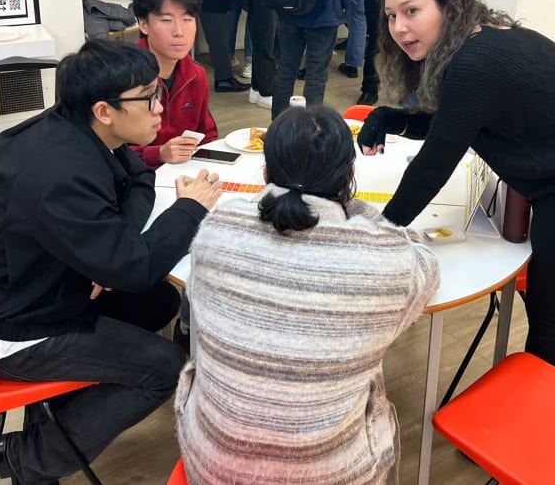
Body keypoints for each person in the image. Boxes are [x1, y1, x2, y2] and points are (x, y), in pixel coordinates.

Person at [0, 40, 223, 484]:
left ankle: (62, 408)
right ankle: (31, 459)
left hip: (21, 285)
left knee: (156, 303)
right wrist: (190, 208)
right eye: (148, 97)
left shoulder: (72, 129)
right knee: (166, 367)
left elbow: (136, 177)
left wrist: (104, 256)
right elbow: (136, 265)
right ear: (104, 110)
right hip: (13, 326)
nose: (159, 109)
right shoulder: (61, 174)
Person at [357, 0, 555, 376]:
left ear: (449, 8)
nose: (399, 27)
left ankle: (541, 425)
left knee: (550, 316)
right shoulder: (476, 44)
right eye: (391, 16)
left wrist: (378, 234)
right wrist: (393, 117)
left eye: (412, 11)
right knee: (553, 305)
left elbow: (433, 166)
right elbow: (459, 123)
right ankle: (546, 403)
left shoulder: (476, 62)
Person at [176, 105, 439, 485]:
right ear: (350, 177)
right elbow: (426, 267)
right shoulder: (384, 258)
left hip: (212, 465)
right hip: (334, 473)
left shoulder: (219, 227)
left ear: (266, 174)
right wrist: (353, 208)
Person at [131, 0, 219, 168]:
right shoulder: (123, 76)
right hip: (134, 179)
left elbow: (208, 135)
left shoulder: (196, 74)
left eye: (187, 19)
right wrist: (159, 153)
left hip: (184, 174)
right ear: (143, 24)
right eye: (166, 20)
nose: (179, 31)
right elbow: (108, 149)